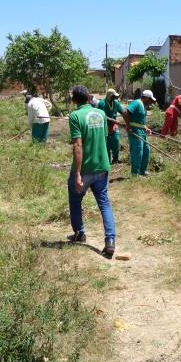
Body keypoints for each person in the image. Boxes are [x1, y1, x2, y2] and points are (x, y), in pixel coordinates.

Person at [67, 85, 116, 257]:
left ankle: (79, 233)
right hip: (102, 166)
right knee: (104, 204)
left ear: (74, 100)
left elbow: (78, 145)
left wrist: (78, 173)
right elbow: (104, 137)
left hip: (85, 168)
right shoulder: (101, 114)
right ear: (89, 97)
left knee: (75, 199)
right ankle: (110, 241)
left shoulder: (74, 116)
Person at [123, 89, 156, 176]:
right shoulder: (136, 103)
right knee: (137, 152)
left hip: (141, 131)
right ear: (146, 98)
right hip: (135, 131)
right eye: (150, 100)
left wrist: (146, 128)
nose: (150, 102)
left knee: (146, 150)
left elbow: (140, 121)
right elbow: (126, 113)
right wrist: (128, 125)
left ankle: (142, 171)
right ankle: (135, 173)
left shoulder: (143, 106)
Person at [97, 88, 125, 163]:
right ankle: (107, 161)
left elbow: (123, 112)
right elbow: (103, 116)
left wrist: (128, 122)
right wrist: (114, 120)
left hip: (114, 127)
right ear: (109, 96)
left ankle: (115, 159)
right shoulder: (102, 103)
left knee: (116, 142)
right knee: (107, 145)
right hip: (104, 127)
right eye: (114, 96)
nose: (116, 98)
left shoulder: (116, 103)